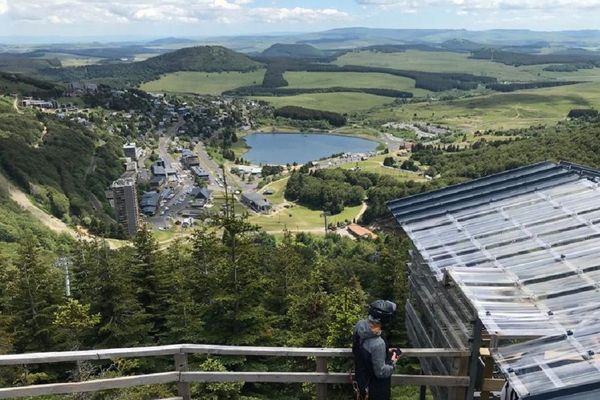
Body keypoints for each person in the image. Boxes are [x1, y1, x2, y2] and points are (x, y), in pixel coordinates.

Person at [352, 300, 401, 400]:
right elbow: (381, 372)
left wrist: (385, 351)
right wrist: (393, 361)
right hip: (375, 389)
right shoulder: (378, 343)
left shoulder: (359, 326)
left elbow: (363, 350)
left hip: (362, 382)